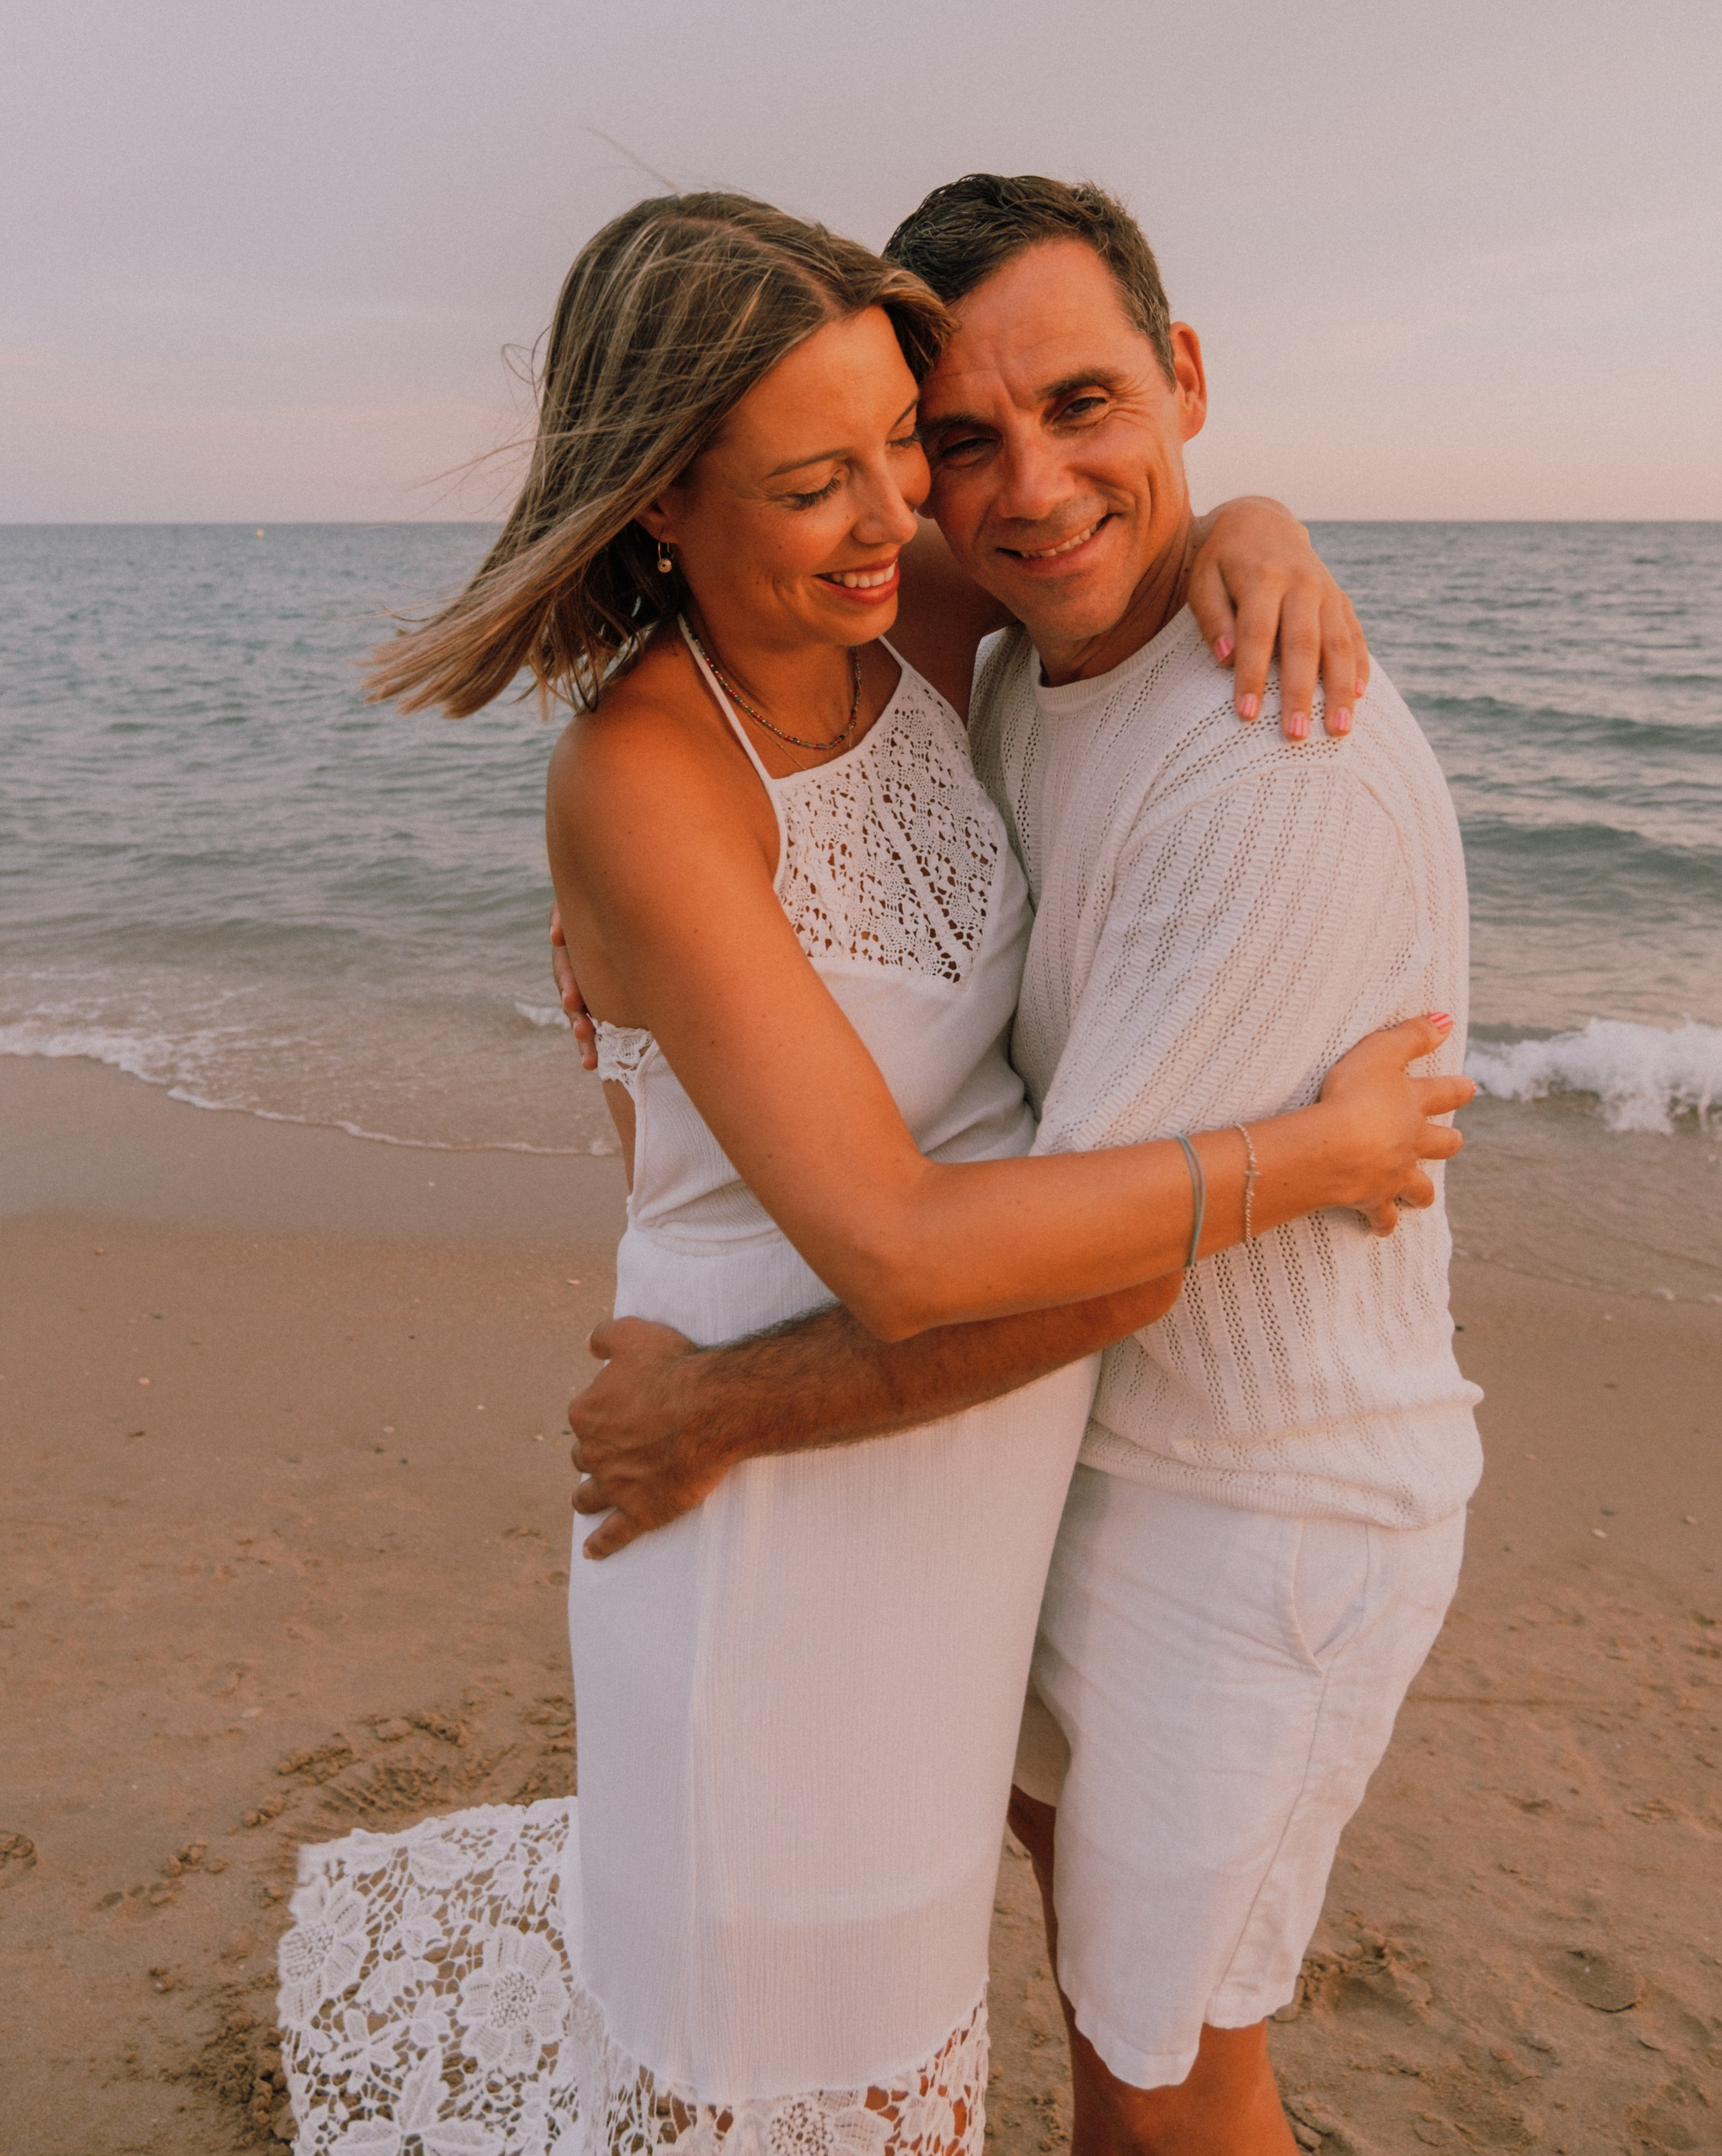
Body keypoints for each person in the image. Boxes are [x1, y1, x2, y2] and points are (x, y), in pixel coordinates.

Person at [274, 190, 1468, 2156]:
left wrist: (1257, 526)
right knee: (795, 2053)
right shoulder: (652, 772)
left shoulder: (914, 612)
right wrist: (1310, 1151)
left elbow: (1110, 525)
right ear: (663, 497)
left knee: (963, 2010)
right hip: (786, 1468)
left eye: (899, 450)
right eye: (819, 478)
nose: (902, 513)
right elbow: (906, 1246)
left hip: (978, 1473)